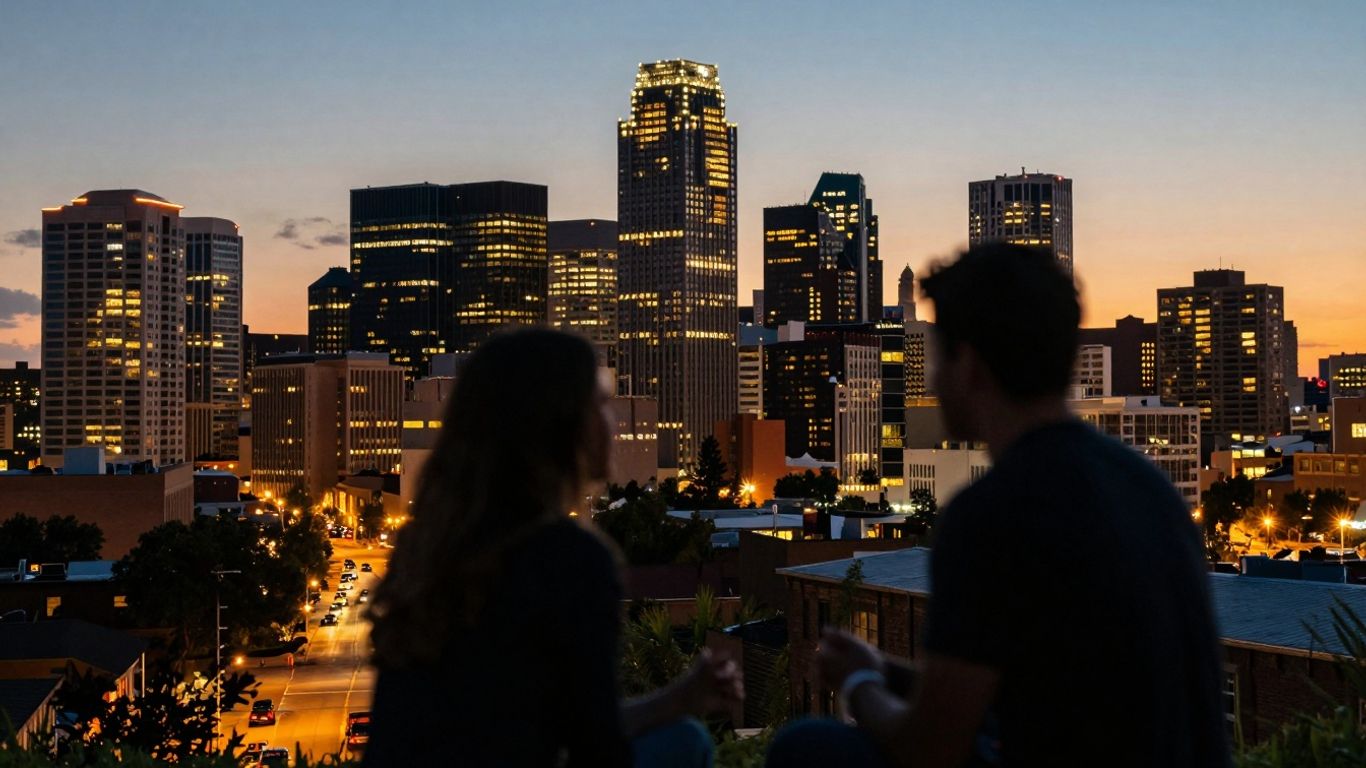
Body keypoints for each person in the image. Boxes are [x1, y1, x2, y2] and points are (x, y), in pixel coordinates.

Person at [767, 243, 1230, 767]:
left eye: (940, 356)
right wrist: (886, 670)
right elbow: (1029, 695)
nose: (935, 378)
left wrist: (859, 685)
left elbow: (930, 749)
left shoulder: (993, 514)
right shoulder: (1149, 488)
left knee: (806, 748)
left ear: (970, 365)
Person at [364, 329, 742, 767]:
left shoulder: (429, 550)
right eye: (600, 403)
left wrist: (680, 696)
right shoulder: (570, 560)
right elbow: (594, 744)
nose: (613, 419)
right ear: (561, 423)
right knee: (686, 743)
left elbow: (549, 725)